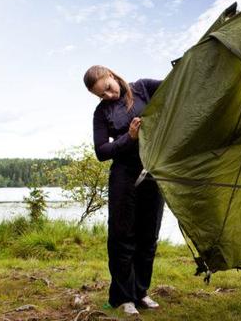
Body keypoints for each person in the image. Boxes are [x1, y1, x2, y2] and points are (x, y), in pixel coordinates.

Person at [84, 65, 165, 315]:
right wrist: (128, 138)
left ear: (112, 75)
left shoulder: (143, 88)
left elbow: (178, 87)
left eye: (107, 88)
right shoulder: (101, 113)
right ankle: (124, 297)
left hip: (153, 172)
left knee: (148, 236)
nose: (108, 95)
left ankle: (141, 292)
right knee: (122, 237)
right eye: (101, 95)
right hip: (124, 177)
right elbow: (101, 152)